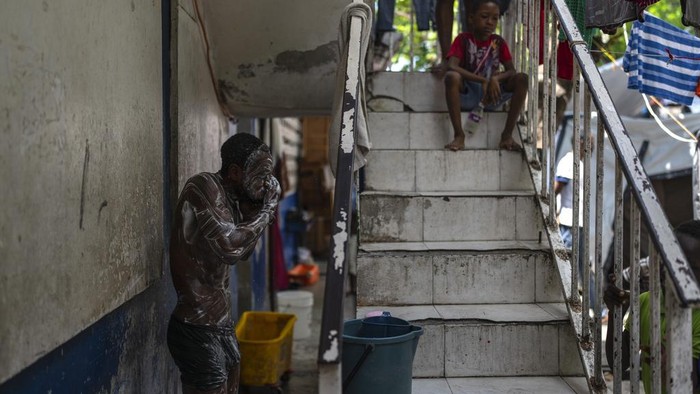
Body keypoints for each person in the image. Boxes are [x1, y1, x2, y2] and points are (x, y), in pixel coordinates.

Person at [167, 133, 281, 394]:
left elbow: (243, 253)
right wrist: (266, 211)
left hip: (221, 324)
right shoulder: (203, 186)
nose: (266, 183)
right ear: (234, 172)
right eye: (261, 175)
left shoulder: (232, 202)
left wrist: (254, 212)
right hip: (195, 326)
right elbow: (230, 248)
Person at [604, 220, 700, 393]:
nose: (672, 270)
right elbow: (619, 363)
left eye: (687, 267)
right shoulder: (647, 301)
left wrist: (675, 365)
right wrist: (615, 314)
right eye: (668, 259)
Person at [443, 0, 528, 152]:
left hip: (491, 95)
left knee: (522, 79)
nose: (490, 22)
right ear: (471, 18)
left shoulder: (498, 42)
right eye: (484, 16)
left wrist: (495, 79)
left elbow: (511, 71)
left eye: (495, 18)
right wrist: (482, 80)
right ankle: (459, 135)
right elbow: (452, 65)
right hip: (469, 93)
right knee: (451, 77)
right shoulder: (463, 39)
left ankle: (507, 135)